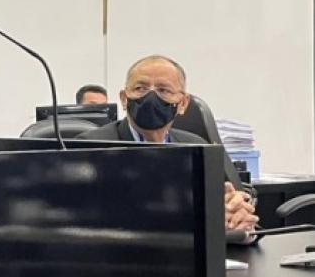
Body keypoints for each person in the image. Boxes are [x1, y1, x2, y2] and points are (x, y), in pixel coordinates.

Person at [77, 55, 258, 235]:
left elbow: (226, 206)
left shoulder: (197, 147)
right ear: (124, 99)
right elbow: (90, 223)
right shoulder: (90, 148)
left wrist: (237, 219)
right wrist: (197, 221)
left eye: (163, 90)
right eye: (140, 88)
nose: (151, 97)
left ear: (183, 103)